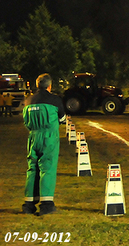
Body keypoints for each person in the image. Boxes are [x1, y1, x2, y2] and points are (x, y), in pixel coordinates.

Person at [22, 73, 66, 215]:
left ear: (37, 85)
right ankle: (46, 204)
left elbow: (25, 121)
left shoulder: (28, 101)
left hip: (33, 138)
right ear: (49, 85)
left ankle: (28, 204)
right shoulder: (54, 100)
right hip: (48, 138)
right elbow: (63, 117)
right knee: (47, 168)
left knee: (32, 169)